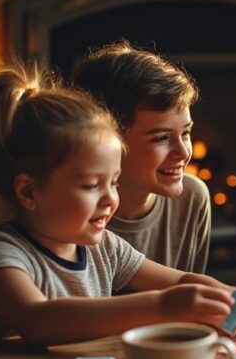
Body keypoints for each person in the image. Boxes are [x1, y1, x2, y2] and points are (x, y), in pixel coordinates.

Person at [0, 66, 236, 345]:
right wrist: (163, 306)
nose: (110, 199)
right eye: (91, 186)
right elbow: (39, 319)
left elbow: (181, 280)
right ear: (29, 193)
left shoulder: (104, 248)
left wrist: (229, 296)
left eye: (114, 182)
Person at [72, 40, 211, 273]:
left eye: (185, 133)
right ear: (106, 142)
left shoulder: (192, 199)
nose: (184, 152)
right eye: (161, 138)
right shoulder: (67, 212)